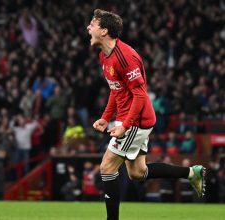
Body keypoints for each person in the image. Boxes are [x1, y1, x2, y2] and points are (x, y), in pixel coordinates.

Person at [88, 9, 205, 220]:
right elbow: (117, 90)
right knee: (137, 173)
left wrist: (125, 125)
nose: (89, 28)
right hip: (127, 118)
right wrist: (106, 117)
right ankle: (191, 173)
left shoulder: (126, 57)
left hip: (137, 120)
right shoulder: (104, 56)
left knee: (107, 167)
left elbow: (140, 96)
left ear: (104, 31)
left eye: (92, 25)